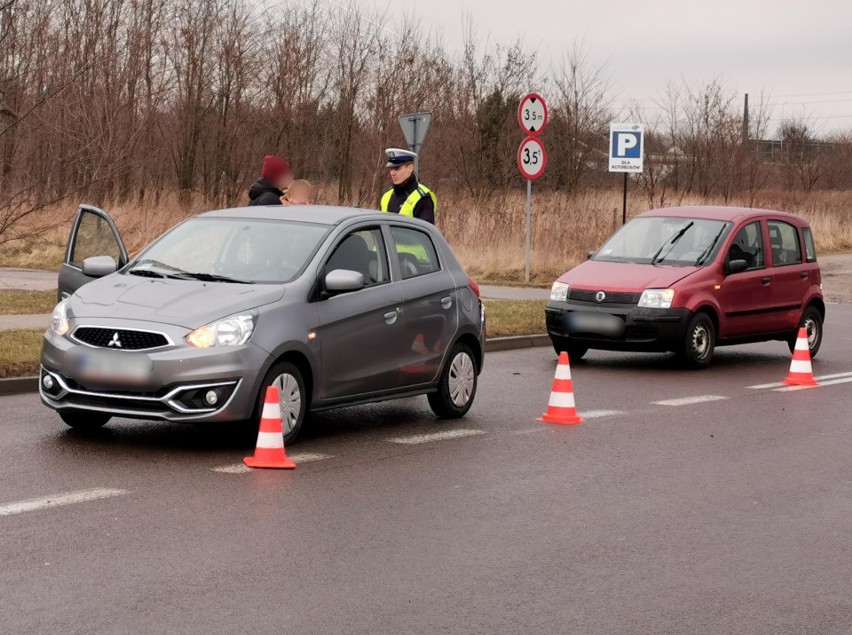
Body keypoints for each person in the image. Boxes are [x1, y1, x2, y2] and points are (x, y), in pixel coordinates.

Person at [379, 148, 436, 224]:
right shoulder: (386, 196)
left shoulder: (422, 198)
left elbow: (423, 234)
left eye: (397, 168)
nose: (392, 173)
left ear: (410, 168)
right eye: (391, 169)